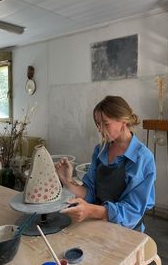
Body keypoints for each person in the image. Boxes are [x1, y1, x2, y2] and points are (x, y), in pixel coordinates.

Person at [56, 95, 156, 231]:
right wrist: (66, 181)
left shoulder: (142, 158)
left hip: (127, 231)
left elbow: (131, 212)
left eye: (105, 123)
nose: (99, 129)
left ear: (123, 121)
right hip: (97, 224)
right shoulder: (100, 150)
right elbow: (90, 193)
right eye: (98, 124)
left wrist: (91, 211)